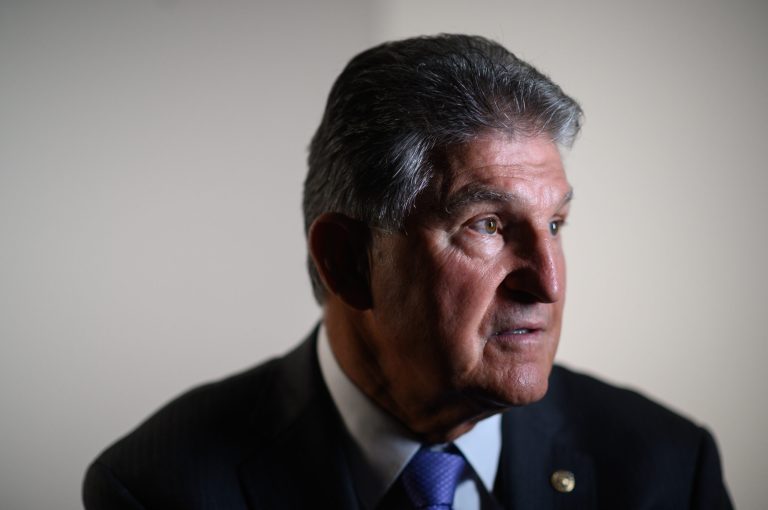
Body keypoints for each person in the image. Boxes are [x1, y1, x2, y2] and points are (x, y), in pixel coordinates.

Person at [83, 34, 733, 509]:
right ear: (347, 259)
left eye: (556, 225)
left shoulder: (667, 468)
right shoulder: (159, 488)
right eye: (487, 225)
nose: (550, 284)